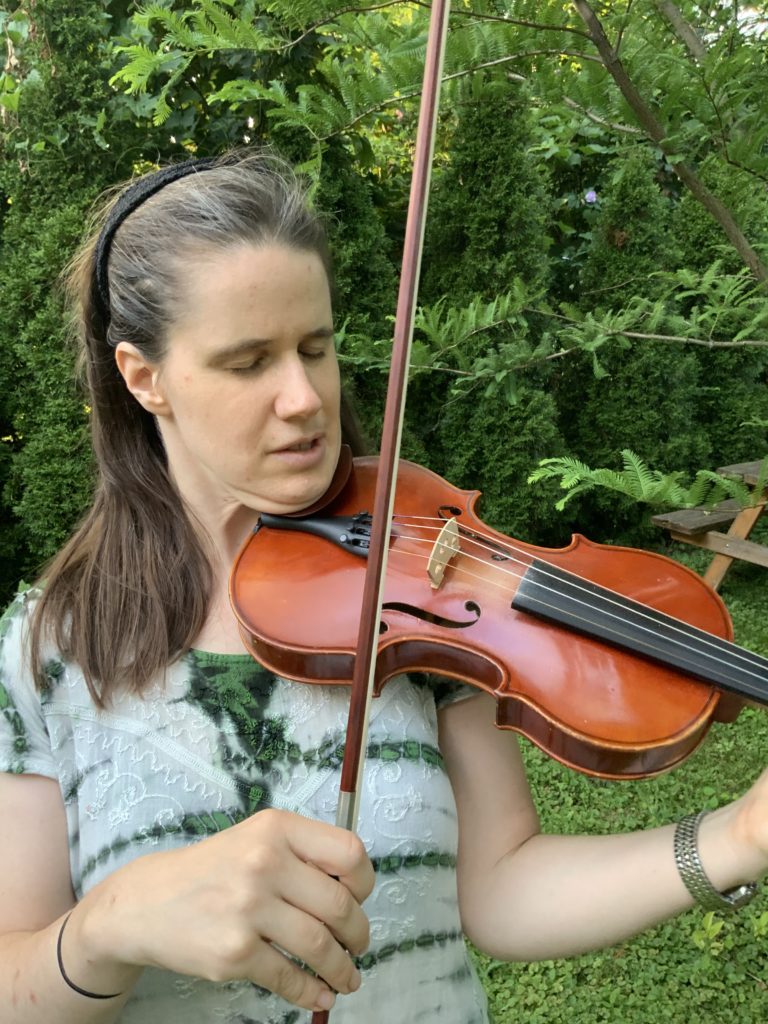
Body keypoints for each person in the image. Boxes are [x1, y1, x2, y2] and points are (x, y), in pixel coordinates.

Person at [0, 150, 766, 1024]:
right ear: (145, 378)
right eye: (249, 363)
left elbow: (503, 885)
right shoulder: (45, 651)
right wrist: (108, 924)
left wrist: (737, 837)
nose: (304, 399)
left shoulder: (418, 576)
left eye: (315, 348)